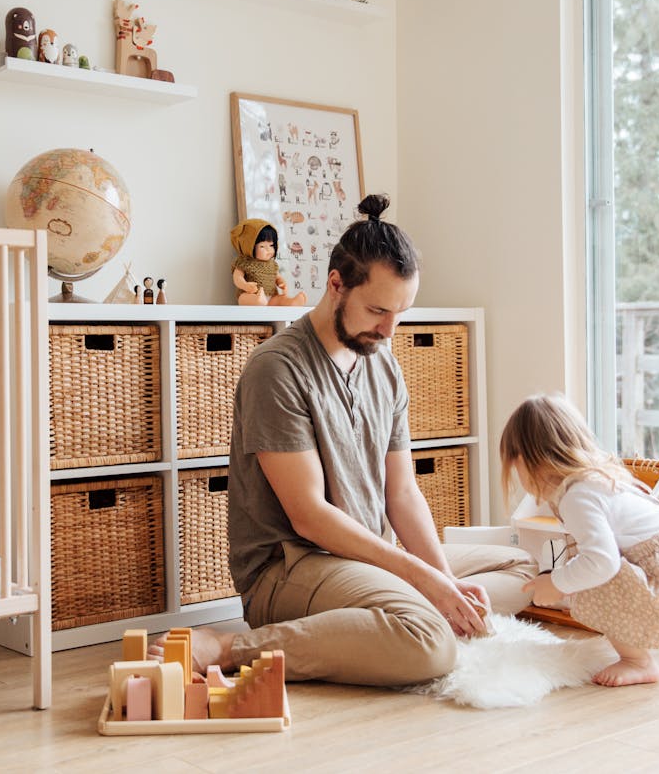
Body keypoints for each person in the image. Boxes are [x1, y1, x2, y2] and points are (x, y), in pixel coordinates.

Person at [157, 195, 537, 686]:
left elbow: (401, 493)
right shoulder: (277, 369)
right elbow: (309, 515)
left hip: (370, 554)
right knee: (429, 644)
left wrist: (445, 583)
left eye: (401, 312)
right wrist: (425, 584)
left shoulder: (383, 362)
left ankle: (392, 612)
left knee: (523, 567)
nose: (389, 329)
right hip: (293, 567)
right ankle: (230, 646)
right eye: (378, 310)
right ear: (336, 284)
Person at [500, 394, 659, 687]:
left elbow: (602, 562)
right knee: (591, 568)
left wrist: (556, 583)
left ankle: (638, 662)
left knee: (595, 574)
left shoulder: (578, 496)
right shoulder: (602, 479)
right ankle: (641, 648)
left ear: (525, 460)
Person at [229, 219, 307, 306]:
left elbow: (277, 277)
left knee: (280, 299)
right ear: (248, 246)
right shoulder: (244, 262)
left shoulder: (272, 265)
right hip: (251, 294)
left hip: (271, 296)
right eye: (262, 246)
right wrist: (245, 285)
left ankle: (291, 302)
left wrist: (281, 282)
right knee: (244, 298)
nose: (268, 250)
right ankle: (258, 300)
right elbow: (237, 278)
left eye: (271, 245)